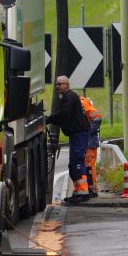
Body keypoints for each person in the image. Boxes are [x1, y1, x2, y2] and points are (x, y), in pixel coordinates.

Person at [47, 76, 91, 204]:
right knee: (73, 163)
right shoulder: (68, 97)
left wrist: (51, 119)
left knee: (77, 161)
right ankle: (78, 191)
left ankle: (83, 192)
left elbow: (65, 114)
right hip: (76, 133)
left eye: (59, 84)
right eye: (56, 85)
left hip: (79, 133)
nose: (57, 87)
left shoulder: (70, 97)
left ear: (67, 84)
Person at [79, 95, 102, 198]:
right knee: (86, 166)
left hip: (88, 143)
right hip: (87, 142)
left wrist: (87, 132)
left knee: (88, 166)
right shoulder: (80, 103)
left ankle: (90, 190)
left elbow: (96, 117)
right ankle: (87, 189)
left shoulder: (82, 104)